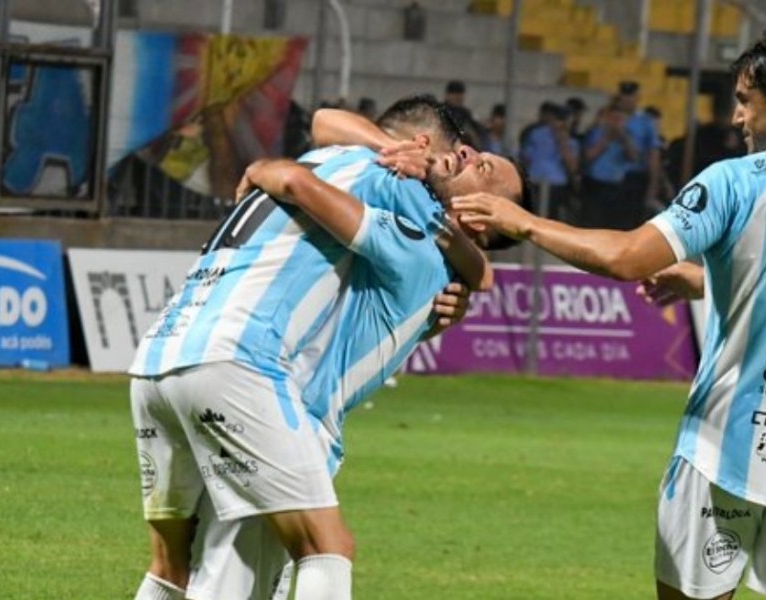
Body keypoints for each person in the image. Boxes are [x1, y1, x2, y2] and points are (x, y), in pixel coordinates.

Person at [129, 95, 520, 600]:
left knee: (173, 568)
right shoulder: (402, 196)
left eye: (480, 165)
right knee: (323, 548)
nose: (466, 154)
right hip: (250, 376)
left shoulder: (329, 162)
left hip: (161, 356)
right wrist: (471, 266)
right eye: (464, 151)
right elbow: (467, 267)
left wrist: (273, 167)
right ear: (419, 146)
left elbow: (323, 126)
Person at [450, 30, 766, 600]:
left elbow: (626, 258)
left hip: (723, 446)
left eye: (746, 100)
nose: (736, 117)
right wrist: (704, 281)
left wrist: (524, 221)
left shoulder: (733, 183)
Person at [580, 99, 638, 228]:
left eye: (620, 119)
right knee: (592, 221)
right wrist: (606, 139)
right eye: (614, 119)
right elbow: (588, 156)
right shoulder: (596, 133)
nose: (616, 122)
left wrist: (623, 138)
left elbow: (634, 158)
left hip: (615, 184)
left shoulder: (628, 137)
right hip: (594, 183)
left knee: (612, 222)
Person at [519, 102, 579, 222]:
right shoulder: (537, 134)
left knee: (552, 218)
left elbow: (572, 167)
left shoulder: (571, 140)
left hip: (557, 184)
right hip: (536, 180)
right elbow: (525, 156)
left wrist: (563, 142)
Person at [616, 81, 662, 229]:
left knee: (629, 223)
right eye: (625, 96)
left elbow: (653, 154)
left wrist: (652, 186)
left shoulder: (645, 122)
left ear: (637, 98)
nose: (627, 100)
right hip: (608, 178)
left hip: (633, 177)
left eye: (631, 96)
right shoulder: (610, 117)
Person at [442, 79, 484, 148]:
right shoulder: (441, 110)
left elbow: (477, 128)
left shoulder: (465, 112)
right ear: (447, 95)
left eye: (460, 94)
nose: (458, 98)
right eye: (455, 94)